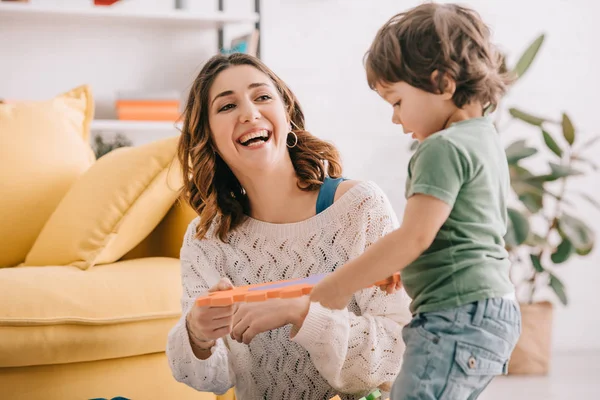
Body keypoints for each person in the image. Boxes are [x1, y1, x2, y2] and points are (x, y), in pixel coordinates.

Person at [166, 52, 411, 400]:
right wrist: (197, 334)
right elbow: (213, 377)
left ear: (287, 115)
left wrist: (301, 314)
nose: (250, 113)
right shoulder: (206, 240)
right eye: (226, 106)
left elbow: (398, 349)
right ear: (209, 137)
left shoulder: (358, 208)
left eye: (262, 96)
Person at [309, 3, 522, 399]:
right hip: (491, 310)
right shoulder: (483, 137)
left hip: (454, 315)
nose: (395, 118)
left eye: (397, 102)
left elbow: (414, 237)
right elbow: (459, 233)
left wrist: (338, 286)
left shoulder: (441, 148)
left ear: (441, 83)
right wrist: (404, 265)